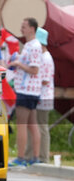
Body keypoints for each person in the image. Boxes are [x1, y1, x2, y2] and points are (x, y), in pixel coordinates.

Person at [8, 18, 43, 166]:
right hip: (31, 90)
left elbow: (35, 69)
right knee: (31, 124)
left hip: (26, 90)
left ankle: (21, 158)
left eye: (24, 27)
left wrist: (18, 64)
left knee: (21, 124)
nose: (21, 29)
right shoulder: (31, 45)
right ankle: (35, 157)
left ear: (32, 29)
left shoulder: (33, 46)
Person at [25, 27, 55, 163]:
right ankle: (32, 155)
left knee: (41, 127)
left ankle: (43, 157)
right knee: (36, 127)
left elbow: (45, 80)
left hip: (44, 97)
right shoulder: (43, 57)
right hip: (40, 96)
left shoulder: (46, 58)